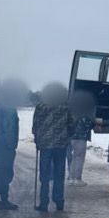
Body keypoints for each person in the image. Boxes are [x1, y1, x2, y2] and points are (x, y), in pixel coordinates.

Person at [31, 82, 70, 211]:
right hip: (61, 146)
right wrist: (66, 137)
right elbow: (72, 125)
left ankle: (44, 203)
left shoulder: (41, 107)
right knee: (59, 174)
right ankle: (59, 202)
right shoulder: (65, 108)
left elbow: (35, 125)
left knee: (45, 175)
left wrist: (37, 139)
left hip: (45, 145)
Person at [67, 90, 94, 185]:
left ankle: (71, 178)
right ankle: (77, 179)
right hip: (81, 139)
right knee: (79, 158)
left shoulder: (73, 112)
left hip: (72, 138)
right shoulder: (84, 115)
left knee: (73, 158)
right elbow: (89, 125)